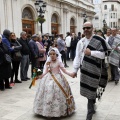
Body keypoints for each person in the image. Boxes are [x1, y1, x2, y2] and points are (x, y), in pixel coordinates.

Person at [72, 22, 111, 120]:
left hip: (96, 70)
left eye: (88, 28)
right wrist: (75, 70)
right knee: (89, 90)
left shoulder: (99, 40)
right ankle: (92, 106)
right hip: (84, 70)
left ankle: (89, 114)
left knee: (91, 90)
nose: (86, 30)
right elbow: (77, 56)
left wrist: (91, 53)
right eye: (84, 28)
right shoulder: (80, 42)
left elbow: (105, 54)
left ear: (92, 28)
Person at [33, 48, 75, 118]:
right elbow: (45, 72)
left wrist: (71, 74)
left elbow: (64, 71)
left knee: (57, 93)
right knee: (47, 90)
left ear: (56, 55)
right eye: (50, 54)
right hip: (48, 78)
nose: (52, 56)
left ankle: (58, 110)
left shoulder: (59, 62)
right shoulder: (48, 62)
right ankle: (46, 110)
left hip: (58, 78)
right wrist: (40, 76)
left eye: (53, 54)